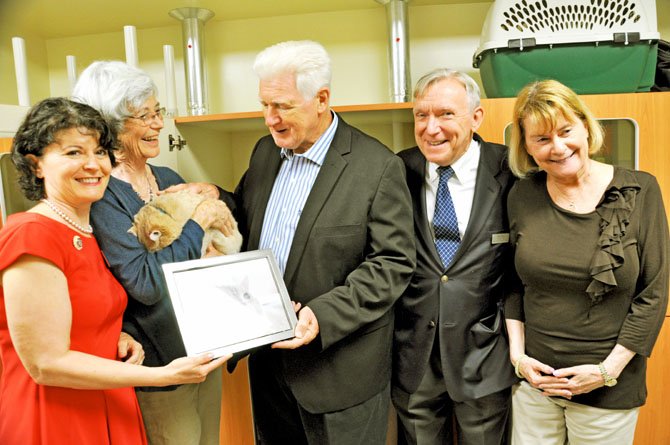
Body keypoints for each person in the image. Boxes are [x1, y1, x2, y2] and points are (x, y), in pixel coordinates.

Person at [0, 97, 228, 445]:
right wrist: (160, 375)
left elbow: (79, 318)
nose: (93, 165)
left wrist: (117, 338)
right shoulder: (31, 235)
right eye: (73, 153)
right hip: (58, 413)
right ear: (37, 166)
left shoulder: (86, 232)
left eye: (100, 151)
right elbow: (44, 362)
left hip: (105, 396)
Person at [234, 40, 416, 445]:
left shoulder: (377, 166)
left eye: (282, 106)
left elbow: (393, 263)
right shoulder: (265, 152)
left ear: (321, 99)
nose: (270, 119)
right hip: (268, 368)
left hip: (339, 374)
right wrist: (212, 197)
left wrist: (322, 314)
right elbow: (248, 216)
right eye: (264, 105)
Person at [72, 61, 238, 445]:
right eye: (145, 115)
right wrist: (196, 224)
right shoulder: (104, 196)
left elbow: (207, 259)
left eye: (158, 111)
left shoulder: (170, 180)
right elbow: (146, 284)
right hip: (161, 369)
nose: (159, 124)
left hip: (204, 354)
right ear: (113, 126)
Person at [505, 79, 669, 445]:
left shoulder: (641, 190)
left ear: (585, 126)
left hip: (607, 389)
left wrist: (606, 372)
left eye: (565, 131)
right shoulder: (521, 195)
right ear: (527, 146)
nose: (558, 148)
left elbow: (653, 293)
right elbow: (513, 284)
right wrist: (519, 360)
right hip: (535, 387)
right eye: (542, 139)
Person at [392, 68, 518, 445]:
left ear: (476, 117)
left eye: (446, 114)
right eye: (421, 115)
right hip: (413, 358)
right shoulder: (397, 171)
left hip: (484, 356)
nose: (431, 128)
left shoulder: (512, 170)